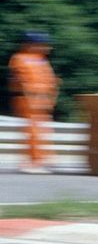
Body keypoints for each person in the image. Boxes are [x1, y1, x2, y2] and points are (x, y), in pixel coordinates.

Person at [8, 30, 60, 173]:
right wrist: (31, 97)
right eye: (42, 44)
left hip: (42, 100)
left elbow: (50, 81)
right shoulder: (20, 58)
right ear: (31, 45)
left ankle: (42, 159)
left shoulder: (41, 59)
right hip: (28, 100)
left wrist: (51, 97)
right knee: (34, 132)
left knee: (43, 131)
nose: (46, 47)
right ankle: (33, 162)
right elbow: (20, 80)